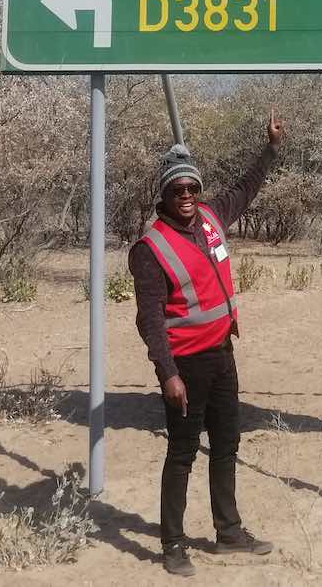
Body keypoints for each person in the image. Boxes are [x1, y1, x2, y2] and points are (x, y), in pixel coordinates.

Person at [130, 112, 285, 577]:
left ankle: (229, 532)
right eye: (178, 190)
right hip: (186, 365)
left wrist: (270, 149)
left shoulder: (212, 217)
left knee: (226, 444)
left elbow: (246, 187)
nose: (187, 197)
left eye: (192, 189)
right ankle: (173, 544)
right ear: (164, 192)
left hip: (222, 354)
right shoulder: (149, 248)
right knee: (181, 452)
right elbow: (149, 319)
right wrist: (168, 373)